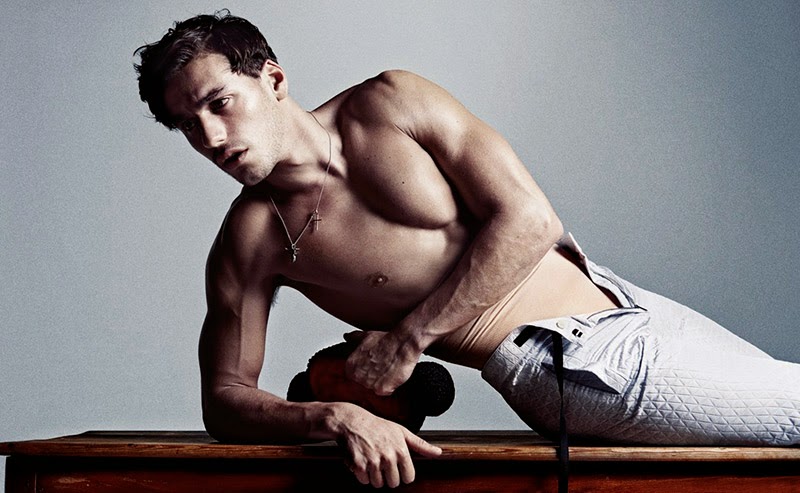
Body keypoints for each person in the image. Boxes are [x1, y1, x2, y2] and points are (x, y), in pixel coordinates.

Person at [135, 11, 800, 489]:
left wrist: (408, 339)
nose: (211, 138)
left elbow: (531, 221)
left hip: (622, 300)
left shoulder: (391, 103)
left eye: (220, 104)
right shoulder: (250, 242)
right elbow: (225, 396)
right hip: (566, 364)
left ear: (274, 80)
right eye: (188, 126)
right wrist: (335, 416)